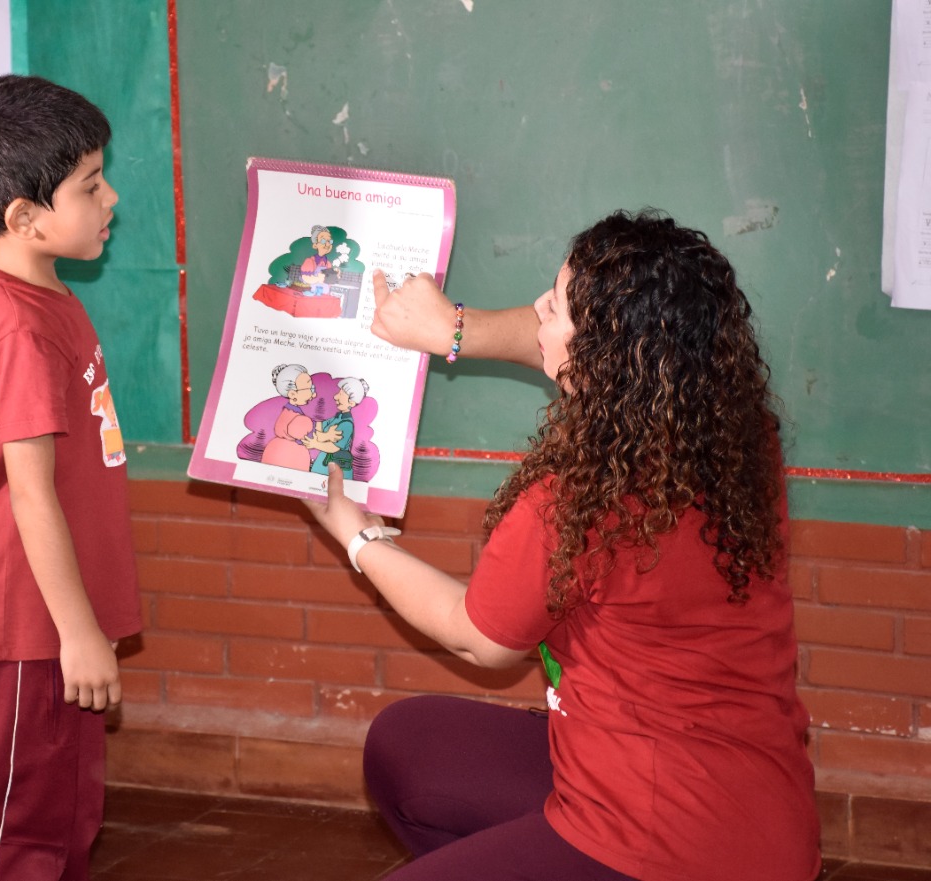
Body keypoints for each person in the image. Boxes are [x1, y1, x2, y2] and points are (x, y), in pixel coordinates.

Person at [306, 209, 820, 881]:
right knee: (410, 745)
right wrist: (452, 326)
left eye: (554, 306)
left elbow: (477, 638)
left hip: (660, 846)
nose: (537, 311)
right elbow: (573, 335)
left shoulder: (577, 497)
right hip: (764, 825)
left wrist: (357, 533)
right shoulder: (739, 439)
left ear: (602, 354)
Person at [0, 74, 142, 881]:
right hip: (31, 629)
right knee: (12, 840)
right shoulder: (16, 327)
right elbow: (29, 492)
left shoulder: (45, 292)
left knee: (63, 824)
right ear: (25, 217)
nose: (110, 197)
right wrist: (77, 632)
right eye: (90, 186)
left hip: (57, 621)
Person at [309, 376, 369, 479]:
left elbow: (333, 448)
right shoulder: (337, 418)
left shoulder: (347, 424)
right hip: (323, 465)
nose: (335, 397)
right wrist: (325, 436)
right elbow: (319, 425)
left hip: (335, 470)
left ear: (351, 402)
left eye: (340, 394)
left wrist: (316, 443)